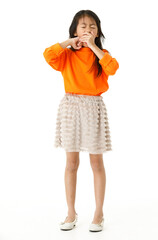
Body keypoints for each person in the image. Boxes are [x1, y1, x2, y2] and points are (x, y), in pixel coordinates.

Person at [43, 9, 119, 232]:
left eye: (93, 26)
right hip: (71, 106)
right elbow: (48, 54)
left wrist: (94, 47)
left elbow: (113, 69)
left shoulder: (101, 55)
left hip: (93, 107)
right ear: (75, 30)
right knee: (71, 163)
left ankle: (98, 213)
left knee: (96, 163)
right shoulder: (67, 55)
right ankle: (71, 212)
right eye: (83, 26)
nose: (88, 30)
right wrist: (70, 42)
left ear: (98, 32)